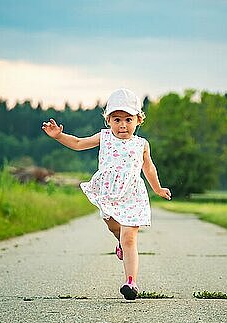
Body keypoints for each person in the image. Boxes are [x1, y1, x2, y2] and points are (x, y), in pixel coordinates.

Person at [41, 88, 171, 300]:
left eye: (128, 119)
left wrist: (157, 188)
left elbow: (149, 168)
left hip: (132, 194)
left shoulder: (141, 144)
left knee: (130, 237)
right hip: (108, 193)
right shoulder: (104, 137)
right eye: (117, 119)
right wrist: (58, 136)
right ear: (108, 120)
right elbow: (77, 143)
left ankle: (131, 282)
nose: (122, 125)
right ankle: (119, 242)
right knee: (114, 227)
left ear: (138, 120)